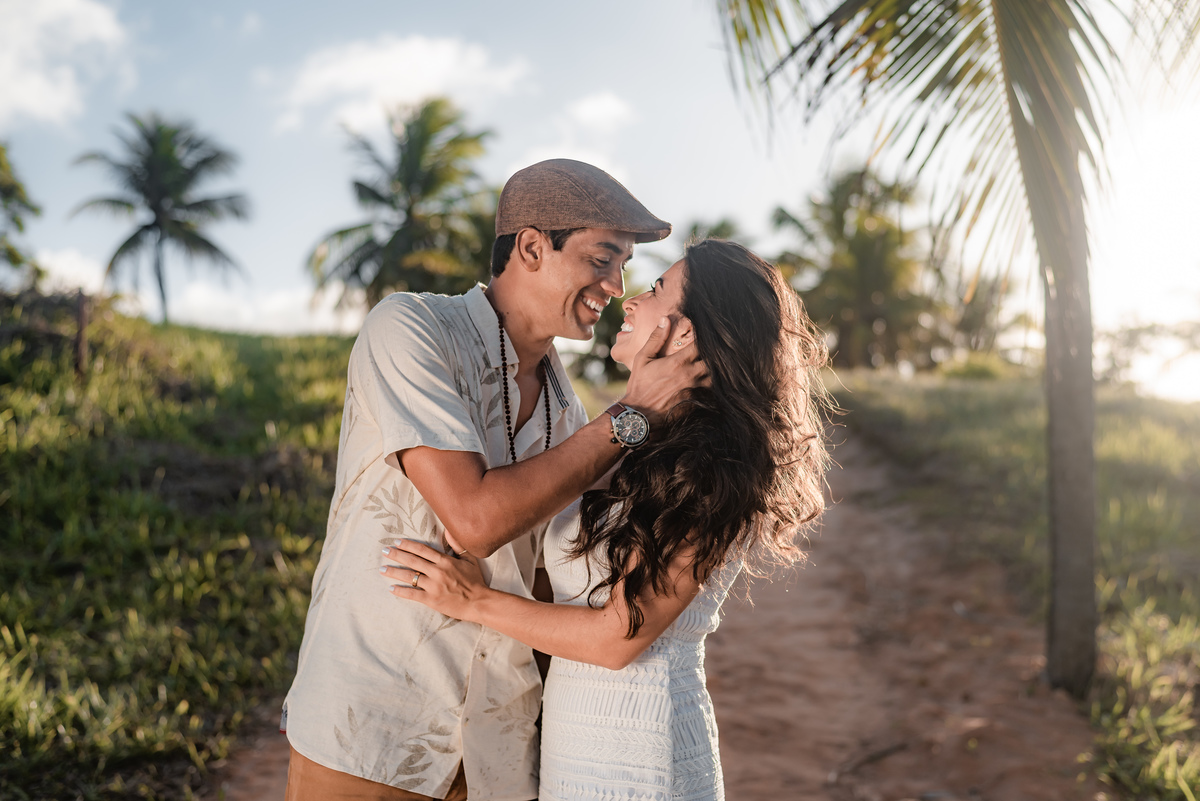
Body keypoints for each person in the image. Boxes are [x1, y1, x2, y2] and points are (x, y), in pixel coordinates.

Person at [282, 159, 706, 801]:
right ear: (532, 247)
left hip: (496, 758)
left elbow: (548, 579)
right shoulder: (410, 329)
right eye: (602, 259)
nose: (616, 286)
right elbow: (474, 522)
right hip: (372, 732)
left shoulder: (571, 416)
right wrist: (632, 416)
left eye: (623, 267)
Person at [382, 239, 830, 801]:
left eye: (657, 289)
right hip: (579, 743)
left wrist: (472, 601)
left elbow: (619, 637)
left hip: (642, 751)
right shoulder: (636, 438)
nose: (630, 299)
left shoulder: (713, 463)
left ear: (687, 333)